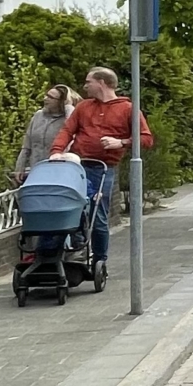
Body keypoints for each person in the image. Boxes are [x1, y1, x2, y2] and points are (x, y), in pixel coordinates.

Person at [51, 67, 147, 273]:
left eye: (88, 82)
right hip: (76, 165)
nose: (84, 86)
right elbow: (67, 130)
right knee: (69, 207)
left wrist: (120, 142)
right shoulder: (84, 107)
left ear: (102, 82)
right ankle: (75, 250)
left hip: (102, 168)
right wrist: (57, 152)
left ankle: (99, 260)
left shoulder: (128, 109)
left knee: (97, 213)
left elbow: (146, 139)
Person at [14, 83, 73, 183]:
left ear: (60, 102)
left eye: (51, 97)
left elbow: (72, 125)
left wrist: (68, 107)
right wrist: (19, 167)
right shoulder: (38, 116)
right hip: (35, 169)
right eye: (46, 95)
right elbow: (26, 146)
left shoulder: (66, 118)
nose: (45, 98)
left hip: (58, 172)